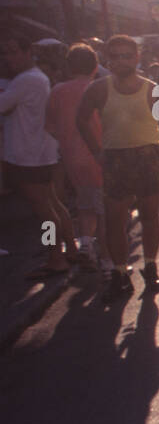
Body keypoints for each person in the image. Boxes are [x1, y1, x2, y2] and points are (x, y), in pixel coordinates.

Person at [74, 35, 159, 299]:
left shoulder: (152, 88)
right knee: (115, 219)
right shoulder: (97, 89)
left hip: (147, 156)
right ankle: (119, 272)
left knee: (150, 216)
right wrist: (97, 153)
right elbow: (81, 120)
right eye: (115, 56)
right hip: (115, 158)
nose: (121, 61)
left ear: (137, 57)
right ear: (108, 60)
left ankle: (150, 267)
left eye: (127, 55)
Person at [0, 28, 78, 280]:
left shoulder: (26, 79)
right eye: (5, 52)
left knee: (44, 210)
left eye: (13, 51)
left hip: (28, 154)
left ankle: (55, 257)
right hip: (38, 152)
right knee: (53, 204)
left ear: (27, 52)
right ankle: (71, 249)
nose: (8, 57)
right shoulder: (32, 77)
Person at [45, 43, 107, 274]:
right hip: (98, 154)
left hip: (67, 157)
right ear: (94, 66)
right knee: (103, 209)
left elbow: (50, 126)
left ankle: (81, 245)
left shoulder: (57, 90)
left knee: (83, 204)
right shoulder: (97, 88)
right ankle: (104, 257)